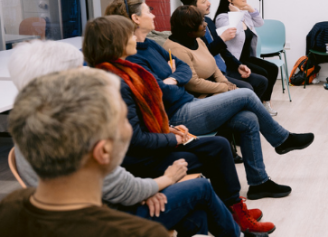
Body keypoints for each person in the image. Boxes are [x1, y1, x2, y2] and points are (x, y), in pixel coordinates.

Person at [6, 40, 267, 236]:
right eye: (78, 71)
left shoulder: (30, 123)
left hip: (93, 207)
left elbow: (104, 182)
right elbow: (110, 181)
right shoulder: (74, 128)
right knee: (200, 188)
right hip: (106, 213)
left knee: (198, 212)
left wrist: (145, 190)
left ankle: (235, 221)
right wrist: (161, 182)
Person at [104, 0, 314, 201]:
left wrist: (172, 78)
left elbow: (184, 70)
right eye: (148, 10)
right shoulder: (133, 56)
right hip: (177, 115)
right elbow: (159, 91)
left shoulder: (150, 45)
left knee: (249, 119)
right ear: (135, 19)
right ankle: (282, 139)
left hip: (189, 103)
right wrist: (171, 79)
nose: (153, 14)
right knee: (247, 93)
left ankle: (259, 183)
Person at [83, 15, 276, 234]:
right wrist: (172, 137)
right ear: (115, 42)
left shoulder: (128, 72)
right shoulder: (119, 82)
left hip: (157, 138)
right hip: (141, 159)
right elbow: (134, 139)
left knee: (219, 145)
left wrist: (168, 130)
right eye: (129, 34)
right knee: (208, 153)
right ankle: (232, 215)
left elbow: (146, 117)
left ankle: (232, 211)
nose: (135, 38)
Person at [0, 69, 168, 236]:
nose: (131, 127)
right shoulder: (143, 232)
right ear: (103, 151)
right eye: (124, 119)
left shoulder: (10, 205)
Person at [179, 0, 269, 100]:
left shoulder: (208, 21)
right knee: (248, 88)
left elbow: (222, 50)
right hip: (213, 73)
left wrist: (238, 65)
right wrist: (222, 39)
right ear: (192, 6)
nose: (209, 3)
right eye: (204, 1)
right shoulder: (190, 29)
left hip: (224, 67)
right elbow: (204, 55)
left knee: (261, 81)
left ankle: (252, 112)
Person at [213, 0, 278, 116]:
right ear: (230, 0)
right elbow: (233, 32)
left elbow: (260, 23)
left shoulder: (244, 14)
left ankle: (265, 103)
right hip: (234, 60)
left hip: (247, 57)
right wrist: (237, 14)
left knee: (273, 68)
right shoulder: (222, 18)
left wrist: (251, 9)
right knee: (263, 73)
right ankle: (258, 105)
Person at [164, 6, 237, 97]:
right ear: (189, 27)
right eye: (200, 22)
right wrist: (224, 87)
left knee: (246, 93)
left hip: (214, 87)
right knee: (246, 95)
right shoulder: (176, 49)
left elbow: (213, 65)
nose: (205, 24)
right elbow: (193, 84)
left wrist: (224, 82)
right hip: (199, 95)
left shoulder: (197, 39)